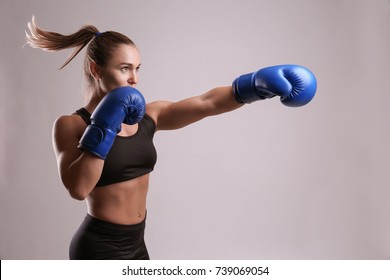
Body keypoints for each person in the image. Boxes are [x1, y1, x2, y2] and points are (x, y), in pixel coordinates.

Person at [25, 16, 317, 260]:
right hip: (99, 247)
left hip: (137, 244)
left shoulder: (150, 115)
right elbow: (78, 188)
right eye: (124, 68)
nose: (134, 80)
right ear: (95, 70)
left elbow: (206, 102)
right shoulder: (70, 125)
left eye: (137, 68)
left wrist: (254, 86)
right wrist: (105, 123)